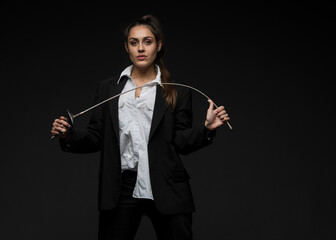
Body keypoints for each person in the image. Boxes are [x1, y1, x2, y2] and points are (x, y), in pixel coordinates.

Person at [51, 14, 230, 240]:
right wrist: (68, 134)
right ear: (126, 47)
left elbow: (181, 142)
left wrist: (206, 128)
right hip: (120, 189)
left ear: (159, 45)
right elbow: (96, 136)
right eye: (134, 42)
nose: (141, 48)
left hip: (166, 187)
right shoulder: (108, 88)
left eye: (147, 41)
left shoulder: (176, 91)